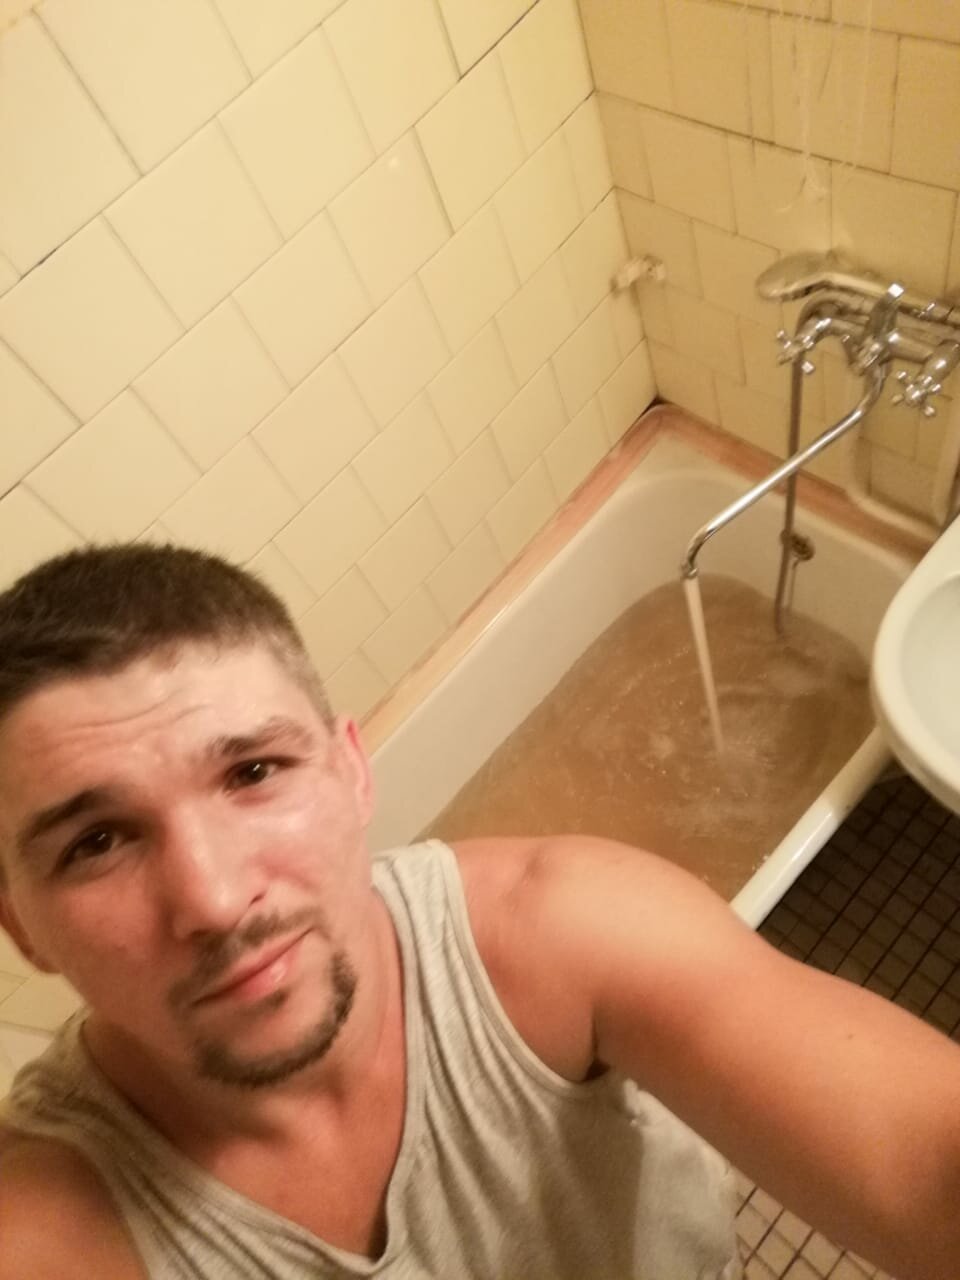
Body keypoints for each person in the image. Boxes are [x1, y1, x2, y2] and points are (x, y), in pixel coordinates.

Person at [0, 546, 957, 1280]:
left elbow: (921, 1161)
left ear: (353, 770)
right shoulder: (48, 1225)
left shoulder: (556, 924)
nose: (212, 900)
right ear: (20, 927)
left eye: (254, 772)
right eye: (96, 843)